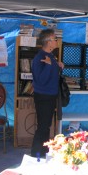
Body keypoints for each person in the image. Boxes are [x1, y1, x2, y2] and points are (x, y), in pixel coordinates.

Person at [31, 29, 64, 158]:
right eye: (54, 39)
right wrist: (50, 66)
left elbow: (53, 75)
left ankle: (43, 151)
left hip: (50, 95)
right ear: (48, 42)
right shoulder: (40, 57)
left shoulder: (51, 56)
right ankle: (36, 154)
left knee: (46, 125)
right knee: (43, 126)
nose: (57, 41)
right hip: (43, 96)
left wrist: (58, 66)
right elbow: (41, 80)